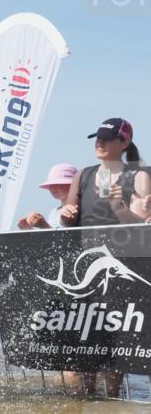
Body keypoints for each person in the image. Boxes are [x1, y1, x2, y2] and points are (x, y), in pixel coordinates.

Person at [58, 118, 149, 397]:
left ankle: (112, 398)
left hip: (123, 262)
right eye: (97, 137)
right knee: (87, 335)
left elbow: (142, 225)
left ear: (124, 143)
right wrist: (66, 214)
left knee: (116, 337)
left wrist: (118, 207)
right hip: (86, 263)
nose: (100, 142)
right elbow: (68, 216)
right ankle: (86, 398)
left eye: (107, 138)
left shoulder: (139, 175)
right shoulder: (83, 174)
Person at [18, 164, 78, 230]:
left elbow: (69, 239)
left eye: (57, 183)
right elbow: (54, 239)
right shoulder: (54, 213)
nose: (52, 187)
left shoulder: (81, 211)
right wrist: (28, 230)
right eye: (51, 184)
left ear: (72, 185)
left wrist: (44, 226)